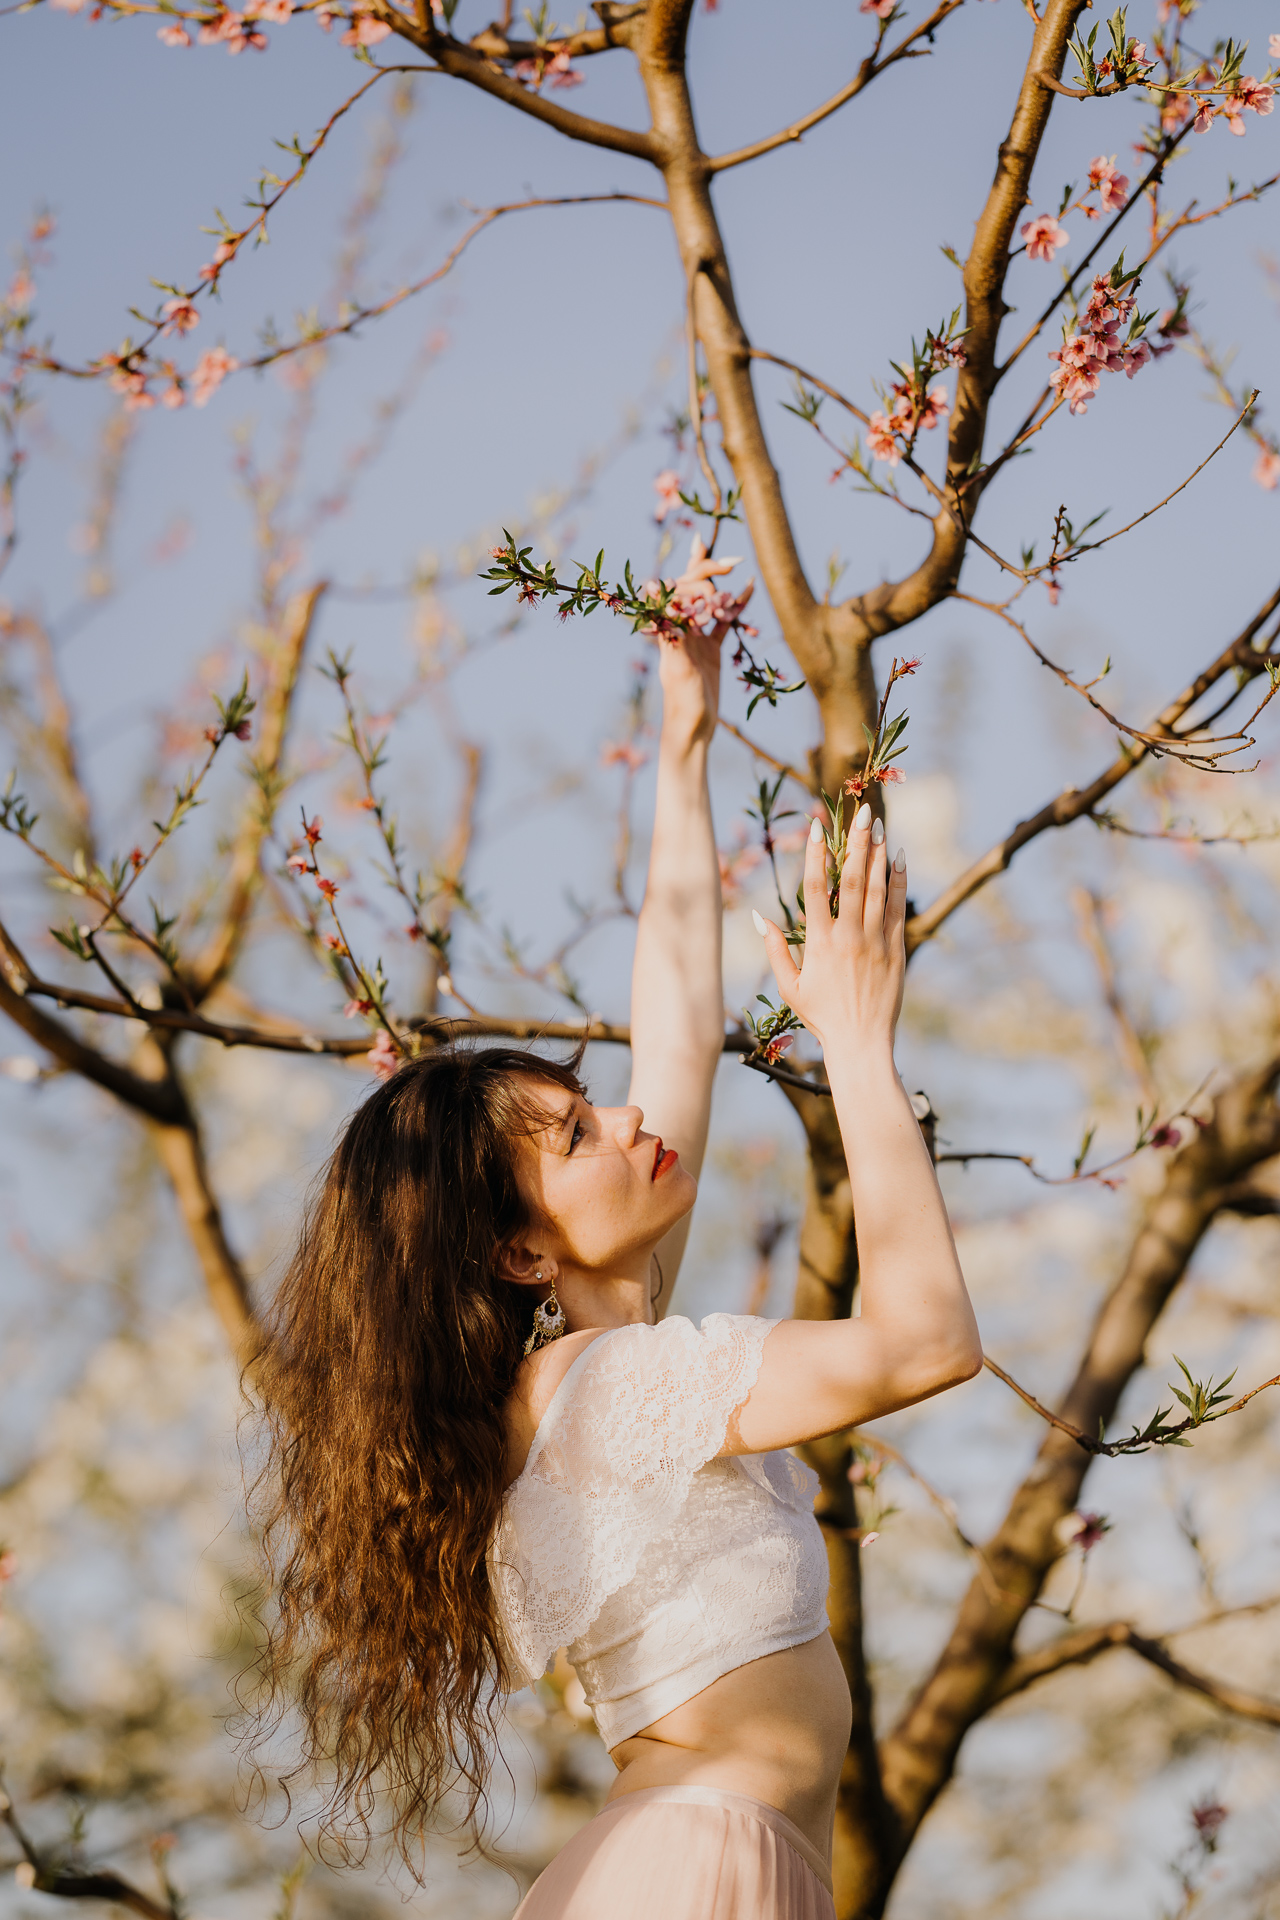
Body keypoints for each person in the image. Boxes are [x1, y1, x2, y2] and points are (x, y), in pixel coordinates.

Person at [249, 613, 982, 1920]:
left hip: (704, 1861)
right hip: (701, 1864)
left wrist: (686, 736)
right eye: (579, 1136)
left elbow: (680, 1011)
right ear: (522, 1249)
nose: (632, 1120)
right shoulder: (616, 1391)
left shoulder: (602, 1372)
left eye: (593, 1101)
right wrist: (861, 1048)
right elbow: (925, 1342)